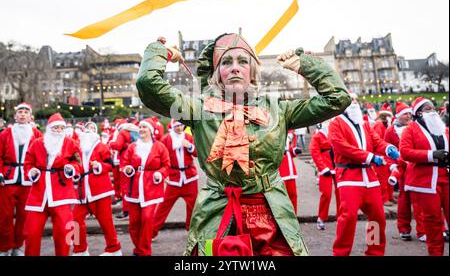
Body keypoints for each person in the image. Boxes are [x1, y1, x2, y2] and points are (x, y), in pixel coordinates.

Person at [136, 33, 351, 256]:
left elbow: (337, 99)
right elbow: (147, 84)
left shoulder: (278, 109)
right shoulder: (198, 109)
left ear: (253, 70)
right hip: (216, 213)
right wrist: (161, 53)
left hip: (272, 214)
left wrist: (306, 65)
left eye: (243, 61)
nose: (235, 68)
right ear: (217, 72)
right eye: (226, 62)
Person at [328, 93, 400, 256]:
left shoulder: (365, 123)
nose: (354, 103)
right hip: (348, 176)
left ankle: (374, 251)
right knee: (348, 217)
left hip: (369, 176)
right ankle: (341, 252)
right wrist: (370, 157)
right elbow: (341, 147)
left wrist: (387, 148)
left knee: (377, 217)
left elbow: (376, 141)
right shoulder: (336, 123)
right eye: (350, 100)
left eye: (355, 100)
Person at [23, 113, 81, 256]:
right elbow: (28, 163)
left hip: (61, 192)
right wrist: (32, 171)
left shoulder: (71, 143)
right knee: (31, 232)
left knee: (65, 231)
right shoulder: (37, 143)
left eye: (62, 128)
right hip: (39, 193)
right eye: (56, 128)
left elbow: (78, 163)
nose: (59, 131)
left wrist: (71, 168)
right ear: (49, 129)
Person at [399, 97, 449, 256]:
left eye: (434, 108)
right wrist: (431, 155)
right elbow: (405, 152)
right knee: (433, 222)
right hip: (425, 180)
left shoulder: (443, 129)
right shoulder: (410, 129)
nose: (433, 111)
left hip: (446, 177)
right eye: (428, 109)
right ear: (419, 113)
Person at [71, 122, 122, 256]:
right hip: (82, 191)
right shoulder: (78, 148)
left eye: (92, 128)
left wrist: (99, 165)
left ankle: (114, 248)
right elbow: (75, 164)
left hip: (100, 191)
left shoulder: (101, 146)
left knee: (106, 221)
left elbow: (110, 165)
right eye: (87, 128)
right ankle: (79, 250)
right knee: (74, 221)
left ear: (96, 132)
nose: (89, 130)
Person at [121, 118, 170, 256]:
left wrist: (160, 174)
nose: (141, 129)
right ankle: (138, 248)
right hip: (134, 188)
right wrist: (128, 169)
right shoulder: (132, 147)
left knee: (147, 219)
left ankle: (144, 251)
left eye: (144, 127)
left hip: (151, 188)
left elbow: (166, 165)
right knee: (134, 223)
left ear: (150, 130)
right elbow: (124, 164)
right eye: (140, 127)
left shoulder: (160, 147)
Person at [0, 103, 43, 256]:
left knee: (23, 217)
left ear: (30, 116)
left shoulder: (37, 133)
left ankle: (18, 246)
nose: (23, 115)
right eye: (20, 112)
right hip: (7, 180)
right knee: (4, 216)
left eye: (26, 112)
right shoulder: (5, 133)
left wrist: (37, 173)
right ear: (15, 116)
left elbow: (42, 155)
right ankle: (5, 247)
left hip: (28, 180)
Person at [386, 102, 426, 242]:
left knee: (419, 202)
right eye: (405, 114)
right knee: (403, 201)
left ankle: (422, 231)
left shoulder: (416, 127)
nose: (408, 116)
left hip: (415, 169)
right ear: (398, 116)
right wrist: (392, 166)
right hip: (401, 169)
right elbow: (386, 150)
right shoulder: (390, 131)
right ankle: (404, 229)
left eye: (409, 113)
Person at [152, 119, 198, 240]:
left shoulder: (188, 137)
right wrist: (163, 175)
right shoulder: (166, 139)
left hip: (189, 177)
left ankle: (191, 229)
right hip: (173, 178)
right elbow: (160, 158)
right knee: (163, 207)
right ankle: (151, 233)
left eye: (181, 125)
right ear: (172, 126)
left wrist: (190, 146)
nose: (179, 128)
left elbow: (197, 153)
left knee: (193, 207)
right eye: (176, 126)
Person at [309, 120, 340, 230]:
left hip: (337, 166)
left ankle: (341, 218)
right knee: (326, 194)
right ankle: (321, 218)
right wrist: (322, 167)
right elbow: (314, 152)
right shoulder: (318, 136)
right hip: (326, 168)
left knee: (340, 193)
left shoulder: (335, 133)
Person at [109, 119, 140, 220]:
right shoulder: (136, 131)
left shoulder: (122, 133)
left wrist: (111, 143)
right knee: (136, 185)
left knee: (125, 186)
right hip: (137, 160)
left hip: (125, 160)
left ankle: (126, 211)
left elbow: (117, 146)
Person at [373, 102, 395, 206]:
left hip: (386, 154)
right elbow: (378, 141)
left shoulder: (384, 124)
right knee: (383, 178)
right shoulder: (379, 124)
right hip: (381, 155)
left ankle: (390, 197)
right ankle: (384, 198)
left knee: (388, 177)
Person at [277, 130, 301, 214]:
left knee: (293, 195)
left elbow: (289, 150)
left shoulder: (289, 131)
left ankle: (294, 217)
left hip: (290, 170)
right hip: (280, 169)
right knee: (282, 196)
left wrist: (294, 151)